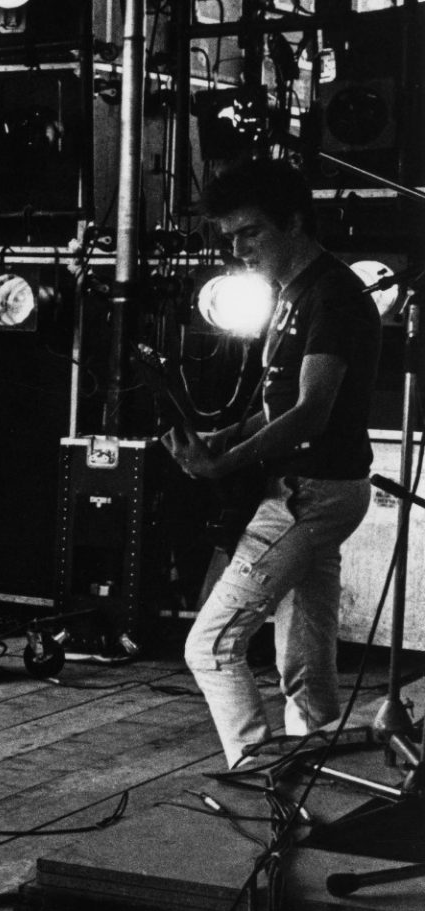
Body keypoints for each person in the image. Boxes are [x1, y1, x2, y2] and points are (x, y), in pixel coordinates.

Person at [162, 157, 378, 768]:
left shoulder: (333, 296)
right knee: (306, 657)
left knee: (210, 646)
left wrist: (226, 463)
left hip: (314, 491)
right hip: (317, 489)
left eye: (251, 232)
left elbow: (311, 412)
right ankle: (319, 761)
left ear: (294, 221)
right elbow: (275, 406)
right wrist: (222, 436)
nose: (240, 248)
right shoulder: (291, 295)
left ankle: (254, 767)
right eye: (231, 237)